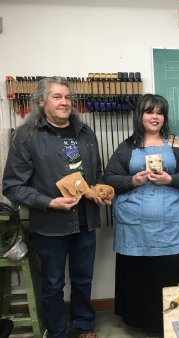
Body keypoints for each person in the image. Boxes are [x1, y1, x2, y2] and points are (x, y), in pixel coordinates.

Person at [2, 77, 109, 338]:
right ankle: (58, 331)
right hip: (50, 224)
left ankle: (84, 324)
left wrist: (100, 190)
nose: (65, 102)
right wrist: (50, 202)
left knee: (83, 278)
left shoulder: (84, 133)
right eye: (57, 97)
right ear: (41, 102)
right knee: (52, 284)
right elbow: (12, 186)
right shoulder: (27, 136)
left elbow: (95, 173)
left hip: (85, 219)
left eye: (68, 97)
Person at [104, 93, 179, 337]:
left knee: (171, 271)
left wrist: (171, 179)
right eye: (149, 111)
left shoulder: (176, 143)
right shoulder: (127, 147)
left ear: (164, 117)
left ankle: (169, 318)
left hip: (171, 226)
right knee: (139, 275)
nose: (154, 117)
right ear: (140, 116)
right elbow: (111, 177)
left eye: (159, 112)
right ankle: (140, 320)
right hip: (135, 227)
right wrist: (133, 180)